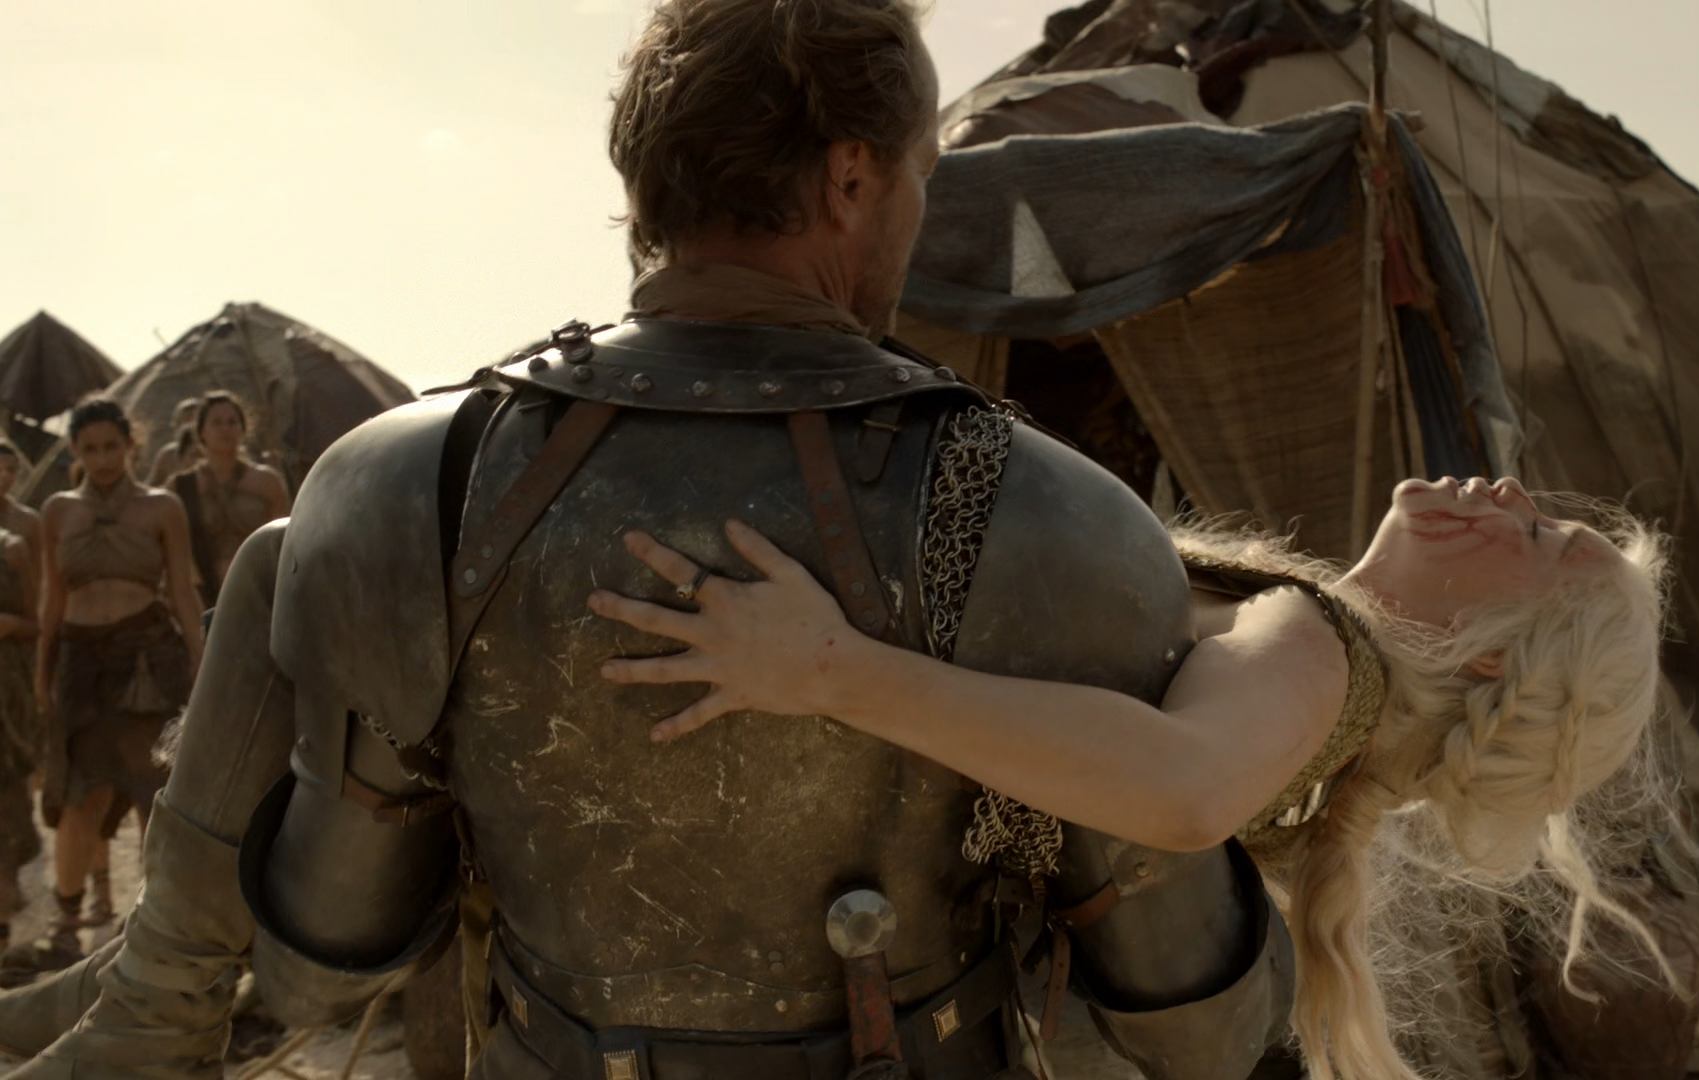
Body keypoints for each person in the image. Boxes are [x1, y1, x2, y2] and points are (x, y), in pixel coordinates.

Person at [0, 2, 1288, 1077]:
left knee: (284, 557)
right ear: (851, 177)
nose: (914, 209)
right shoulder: (1050, 515)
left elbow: (323, 965)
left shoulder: (408, 482)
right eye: (919, 177)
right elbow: (1201, 1030)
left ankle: (148, 1002)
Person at [587, 475, 1672, 1080]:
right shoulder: (1329, 684)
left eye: (1538, 535)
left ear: (1488, 656)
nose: (1510, 491)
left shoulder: (1324, 649)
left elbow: (1186, 790)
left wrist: (825, 667)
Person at [33, 399, 203, 962]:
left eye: (112, 446)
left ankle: (158, 919)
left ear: (131, 444)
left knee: (155, 792)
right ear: (75, 452)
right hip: (80, 664)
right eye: (90, 449)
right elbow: (52, 599)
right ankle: (67, 920)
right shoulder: (57, 511)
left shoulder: (162, 507)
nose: (103, 458)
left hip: (148, 661)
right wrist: (42, 671)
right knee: (79, 794)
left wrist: (201, 661)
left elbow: (182, 591)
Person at [168, 392, 289, 606]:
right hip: (204, 597)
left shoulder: (267, 483)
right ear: (202, 432)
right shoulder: (182, 487)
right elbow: (173, 552)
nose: (225, 429)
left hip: (260, 593)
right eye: (217, 423)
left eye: (232, 422)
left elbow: (283, 544)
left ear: (243, 429)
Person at [0, 443, 41, 951]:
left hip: (6, 689)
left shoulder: (17, 544)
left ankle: (4, 917)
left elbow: (37, 622)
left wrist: (10, 625)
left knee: (7, 793)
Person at [144, 398, 203, 486]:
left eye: (194, 421)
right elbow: (151, 484)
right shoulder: (168, 454)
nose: (188, 427)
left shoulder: (210, 451)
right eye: (185, 422)